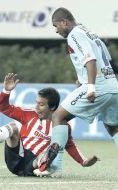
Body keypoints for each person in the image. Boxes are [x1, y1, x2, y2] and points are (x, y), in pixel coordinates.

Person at [36, 7, 118, 176]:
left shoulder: (74, 34)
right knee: (114, 128)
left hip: (99, 85)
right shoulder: (90, 33)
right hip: (113, 85)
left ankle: (54, 166)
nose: (56, 30)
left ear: (64, 22)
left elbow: (90, 59)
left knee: (58, 117)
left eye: (56, 25)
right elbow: (110, 62)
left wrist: (90, 86)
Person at [0, 73, 99, 177]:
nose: (36, 107)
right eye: (36, 103)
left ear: (52, 107)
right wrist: (6, 91)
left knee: (47, 152)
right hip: (17, 158)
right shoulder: (29, 114)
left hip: (34, 164)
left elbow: (70, 146)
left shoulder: (62, 126)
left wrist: (84, 161)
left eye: (41, 104)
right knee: (14, 127)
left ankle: (44, 163)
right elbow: (3, 108)